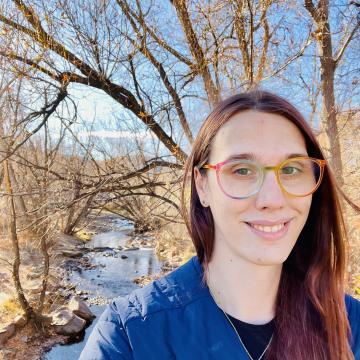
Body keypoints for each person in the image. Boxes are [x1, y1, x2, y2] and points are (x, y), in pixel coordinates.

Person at [79, 90, 360, 360]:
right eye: (241, 170)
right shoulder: (131, 336)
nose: (273, 199)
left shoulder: (350, 327)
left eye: (291, 169)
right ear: (202, 186)